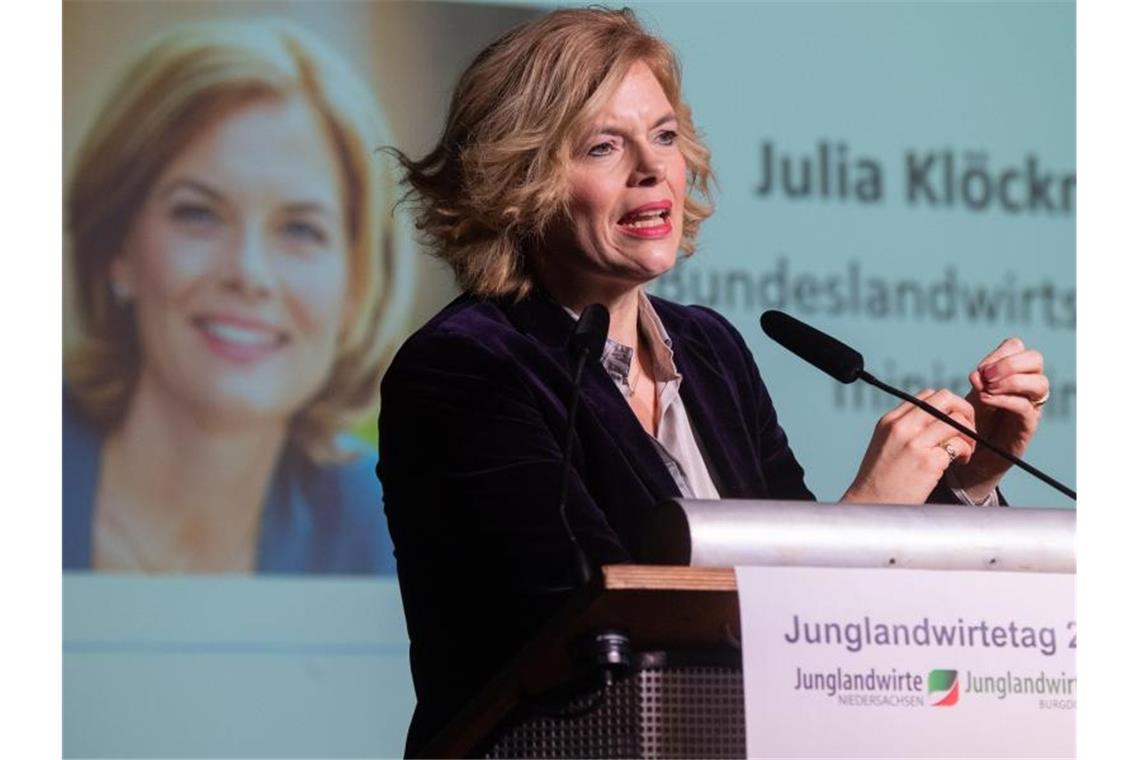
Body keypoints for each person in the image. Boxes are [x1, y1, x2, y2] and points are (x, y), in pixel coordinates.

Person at [377, 7, 1051, 752]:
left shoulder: (711, 350)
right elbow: (583, 629)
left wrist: (972, 477)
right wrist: (865, 517)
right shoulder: (466, 364)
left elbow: (833, 613)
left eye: (664, 136)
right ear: (520, 176)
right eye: (604, 145)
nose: (652, 170)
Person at [64, 19, 406, 574]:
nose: (249, 273)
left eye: (300, 229)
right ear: (116, 248)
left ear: (356, 284)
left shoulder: (390, 527)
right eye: (198, 213)